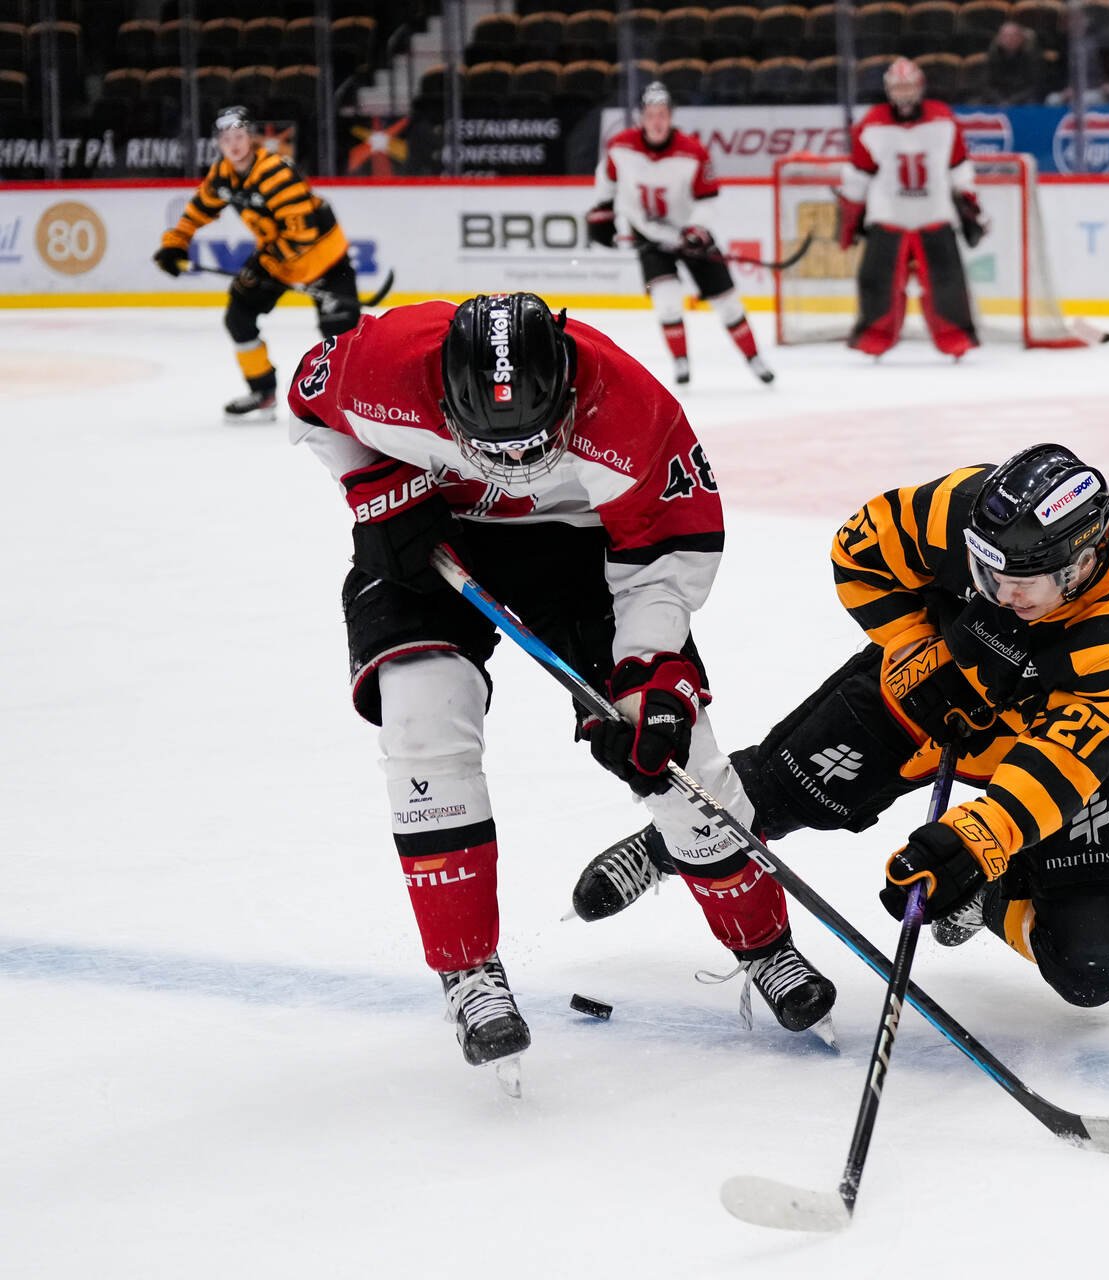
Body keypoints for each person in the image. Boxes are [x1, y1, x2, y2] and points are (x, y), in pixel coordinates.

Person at [285, 292, 833, 1076]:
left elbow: (667, 558)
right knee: (421, 717)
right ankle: (468, 970)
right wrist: (375, 491)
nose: (513, 465)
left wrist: (650, 675)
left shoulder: (632, 409)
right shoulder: (383, 363)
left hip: (582, 547)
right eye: (491, 445)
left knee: (678, 758)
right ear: (440, 397)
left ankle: (764, 945)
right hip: (431, 532)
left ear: (568, 390)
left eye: (534, 440)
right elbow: (308, 400)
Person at [573, 444, 1109, 1010]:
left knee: (1092, 966)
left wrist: (973, 846)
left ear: (1077, 567)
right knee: (768, 802)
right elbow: (857, 554)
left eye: (1018, 584)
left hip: (1042, 743)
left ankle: (989, 897)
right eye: (984, 575)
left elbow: (1065, 760)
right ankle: (672, 845)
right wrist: (922, 647)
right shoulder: (960, 510)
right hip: (922, 694)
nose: (995, 594)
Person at [152, 106, 360, 420]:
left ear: (250, 138)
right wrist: (175, 244)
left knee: (341, 336)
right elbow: (199, 209)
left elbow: (302, 235)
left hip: (325, 259)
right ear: (219, 144)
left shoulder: (276, 172)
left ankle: (356, 399)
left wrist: (264, 264)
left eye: (239, 136)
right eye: (226, 139)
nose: (233, 144)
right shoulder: (223, 174)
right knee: (238, 317)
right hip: (279, 258)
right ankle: (262, 392)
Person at [587, 82, 774, 388]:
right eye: (651, 115)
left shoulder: (693, 152)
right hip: (648, 236)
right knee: (667, 301)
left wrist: (696, 229)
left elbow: (708, 199)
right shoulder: (621, 147)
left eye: (662, 114)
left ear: (671, 116)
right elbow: (606, 180)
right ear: (641, 118)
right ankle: (680, 361)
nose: (657, 121)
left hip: (690, 235)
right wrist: (602, 210)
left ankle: (754, 358)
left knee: (727, 302)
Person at [837, 58, 988, 358]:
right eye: (897, 88)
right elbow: (857, 177)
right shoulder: (871, 123)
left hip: (935, 213)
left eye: (908, 87)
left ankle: (955, 336)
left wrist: (971, 206)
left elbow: (959, 168)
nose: (903, 94)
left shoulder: (943, 118)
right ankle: (874, 336)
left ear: (920, 87)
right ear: (888, 90)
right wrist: (849, 220)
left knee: (947, 282)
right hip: (887, 215)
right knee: (876, 280)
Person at [983, 21, 1046, 105]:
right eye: (1005, 36)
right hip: (999, 100)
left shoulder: (1032, 57)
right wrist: (999, 100)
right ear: (998, 39)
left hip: (1023, 99)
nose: (1009, 39)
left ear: (1021, 38)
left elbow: (1035, 85)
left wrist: (1013, 101)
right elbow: (987, 84)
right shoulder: (993, 57)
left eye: (1014, 36)